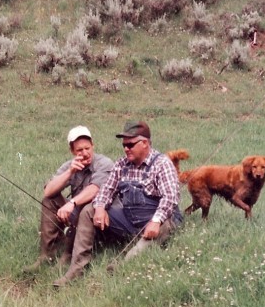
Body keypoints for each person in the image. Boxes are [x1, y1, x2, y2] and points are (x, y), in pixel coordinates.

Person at [53, 120, 182, 286]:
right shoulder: (122, 164)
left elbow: (171, 197)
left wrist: (156, 221)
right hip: (130, 219)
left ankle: (121, 267)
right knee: (88, 211)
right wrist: (100, 208)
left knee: (140, 249)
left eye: (130, 144)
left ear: (144, 143)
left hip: (160, 220)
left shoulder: (162, 164)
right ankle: (76, 269)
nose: (126, 149)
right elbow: (106, 190)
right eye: (124, 145)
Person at [23, 125, 113, 274]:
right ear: (72, 151)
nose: (85, 153)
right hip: (78, 214)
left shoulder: (104, 163)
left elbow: (95, 189)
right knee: (49, 200)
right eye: (79, 150)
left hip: (101, 217)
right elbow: (48, 191)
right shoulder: (71, 165)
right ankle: (46, 256)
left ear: (93, 146)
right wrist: (70, 172)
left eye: (87, 148)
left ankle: (68, 255)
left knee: (85, 206)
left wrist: (71, 203)